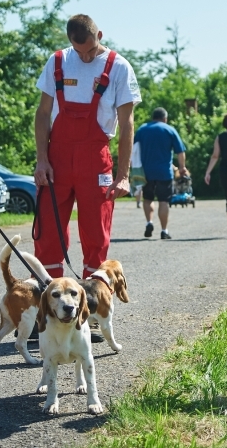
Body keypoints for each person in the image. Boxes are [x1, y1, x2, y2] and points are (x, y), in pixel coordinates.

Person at [33, 14, 141, 279]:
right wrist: (41, 160)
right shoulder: (57, 61)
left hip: (95, 160)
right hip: (56, 159)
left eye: (91, 50)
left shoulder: (119, 67)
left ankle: (93, 304)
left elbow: (127, 124)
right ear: (69, 41)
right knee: (49, 232)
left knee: (96, 233)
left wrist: (123, 176)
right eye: (79, 52)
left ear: (100, 36)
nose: (86, 58)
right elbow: (43, 113)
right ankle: (49, 301)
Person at [134, 107, 188, 239]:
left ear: (153, 117)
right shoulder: (169, 129)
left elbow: (134, 150)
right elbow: (180, 152)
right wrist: (182, 168)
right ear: (165, 118)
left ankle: (149, 222)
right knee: (164, 201)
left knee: (148, 199)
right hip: (165, 172)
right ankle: (164, 230)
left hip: (145, 172)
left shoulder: (142, 129)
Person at [130, 141, 145, 208]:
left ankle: (138, 202)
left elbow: (131, 155)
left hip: (135, 167)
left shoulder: (136, 144)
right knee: (139, 186)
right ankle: (138, 202)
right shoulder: (139, 144)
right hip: (139, 166)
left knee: (138, 185)